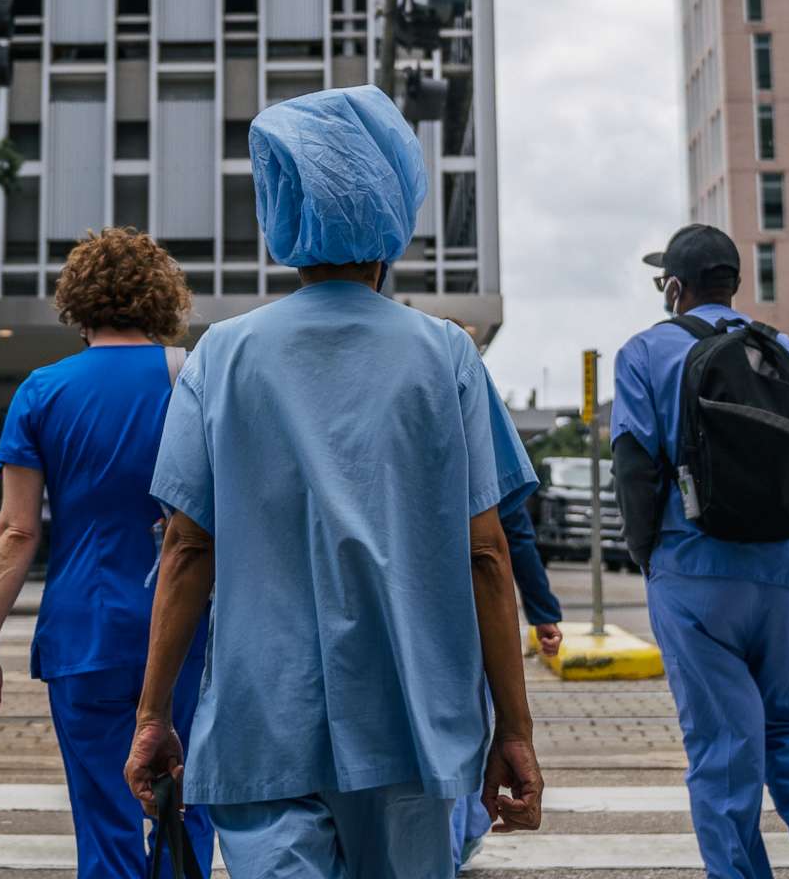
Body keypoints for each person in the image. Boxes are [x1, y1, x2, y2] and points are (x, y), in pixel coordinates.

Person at [125, 85, 544, 877]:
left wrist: (153, 716)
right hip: (412, 720)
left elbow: (185, 550)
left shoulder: (223, 355)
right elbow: (487, 554)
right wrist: (514, 732)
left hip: (263, 720)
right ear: (393, 209)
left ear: (282, 211)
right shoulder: (447, 356)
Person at [0, 226, 213, 879]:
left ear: (77, 300)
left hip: (84, 632)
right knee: (186, 806)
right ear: (162, 298)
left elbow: (17, 530)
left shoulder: (41, 392)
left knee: (105, 821)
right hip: (185, 627)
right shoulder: (192, 379)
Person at [611, 225, 789, 879]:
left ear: (674, 286)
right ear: (734, 284)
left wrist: (653, 562)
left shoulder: (644, 352)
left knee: (725, 758)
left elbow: (634, 472)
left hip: (695, 576)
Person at [449, 323, 562, 871]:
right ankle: (460, 838)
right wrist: (542, 613)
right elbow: (498, 544)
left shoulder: (225, 353)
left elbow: (189, 542)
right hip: (448, 635)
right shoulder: (461, 382)